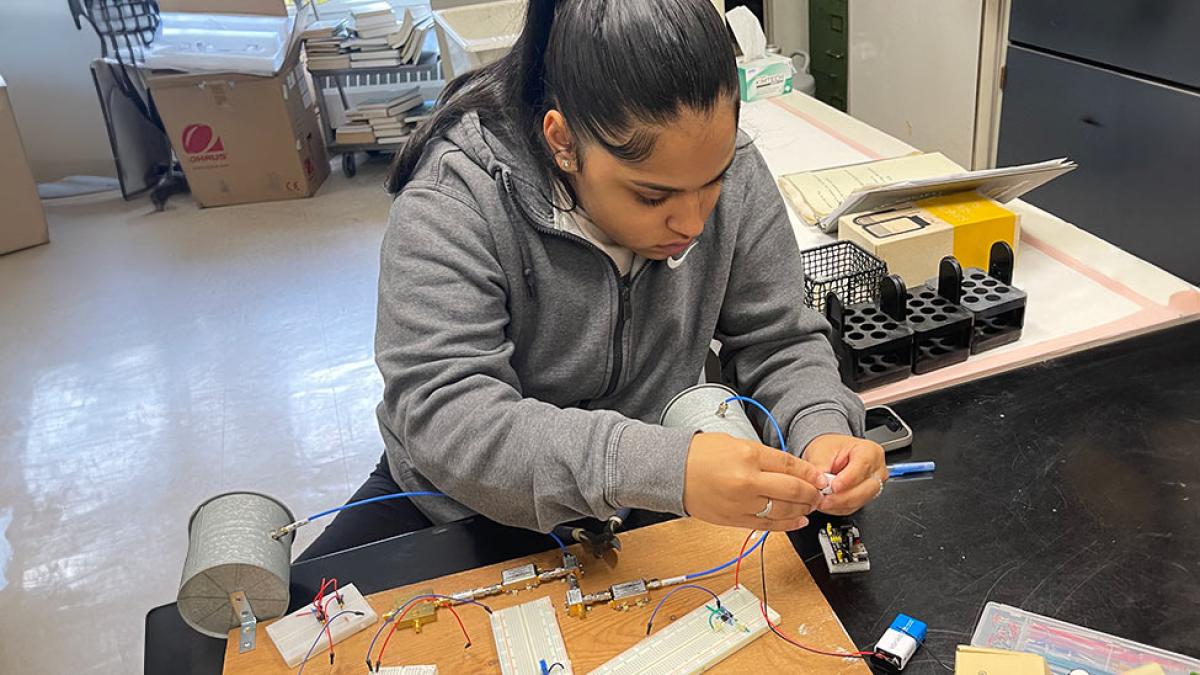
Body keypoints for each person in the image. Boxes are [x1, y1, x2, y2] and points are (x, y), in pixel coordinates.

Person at [298, 0, 886, 561]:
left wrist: (821, 429)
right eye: (652, 195)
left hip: (641, 505)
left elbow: (778, 340)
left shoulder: (731, 172)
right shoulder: (454, 203)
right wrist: (664, 467)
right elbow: (451, 417)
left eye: (713, 181)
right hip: (459, 510)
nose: (693, 221)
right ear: (563, 143)